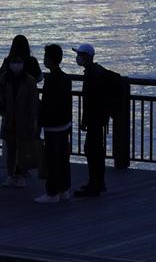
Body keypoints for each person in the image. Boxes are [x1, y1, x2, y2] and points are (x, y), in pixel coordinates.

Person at [73, 43, 119, 198]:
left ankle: (95, 184)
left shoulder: (92, 75)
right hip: (99, 119)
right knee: (95, 151)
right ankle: (98, 182)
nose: (77, 57)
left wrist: (84, 120)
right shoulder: (97, 71)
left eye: (79, 54)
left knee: (92, 151)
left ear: (86, 57)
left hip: (95, 119)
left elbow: (90, 101)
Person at [35, 44, 73, 204]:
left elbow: (47, 104)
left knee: (52, 159)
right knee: (63, 158)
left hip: (52, 125)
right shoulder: (66, 78)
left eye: (45, 57)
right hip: (64, 124)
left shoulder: (51, 80)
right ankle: (64, 189)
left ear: (50, 59)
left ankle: (52, 192)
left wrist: (40, 119)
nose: (44, 60)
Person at [0, 53, 39, 188]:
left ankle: (21, 175)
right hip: (9, 118)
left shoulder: (29, 80)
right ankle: (10, 175)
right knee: (11, 149)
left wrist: (33, 120)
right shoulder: (5, 78)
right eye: (14, 62)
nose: (16, 65)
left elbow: (33, 102)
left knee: (23, 150)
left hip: (24, 119)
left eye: (19, 62)